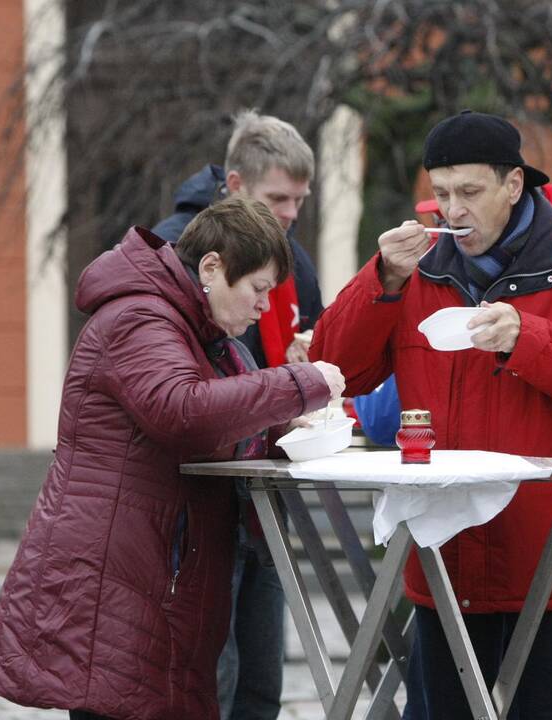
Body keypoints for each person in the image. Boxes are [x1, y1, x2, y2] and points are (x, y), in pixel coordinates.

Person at [310, 111, 552, 719]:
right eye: (441, 194)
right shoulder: (415, 266)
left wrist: (531, 339)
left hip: (548, 566)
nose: (453, 210)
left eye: (470, 192)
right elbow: (332, 370)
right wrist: (382, 280)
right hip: (446, 563)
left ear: (513, 185)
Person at [0, 196, 345, 720]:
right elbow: (183, 412)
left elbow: (217, 422)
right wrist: (298, 384)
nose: (265, 307)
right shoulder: (140, 318)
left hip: (150, 574)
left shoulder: (199, 331)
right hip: (115, 583)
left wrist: (283, 424)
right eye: (258, 289)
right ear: (212, 267)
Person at [152, 109, 321, 720]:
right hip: (203, 507)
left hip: (265, 496)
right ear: (236, 185)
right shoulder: (174, 251)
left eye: (300, 200)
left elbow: (309, 342)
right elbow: (190, 396)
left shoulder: (292, 257)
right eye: (279, 197)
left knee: (260, 684)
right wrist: (286, 386)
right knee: (207, 682)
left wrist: (309, 359)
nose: (292, 213)